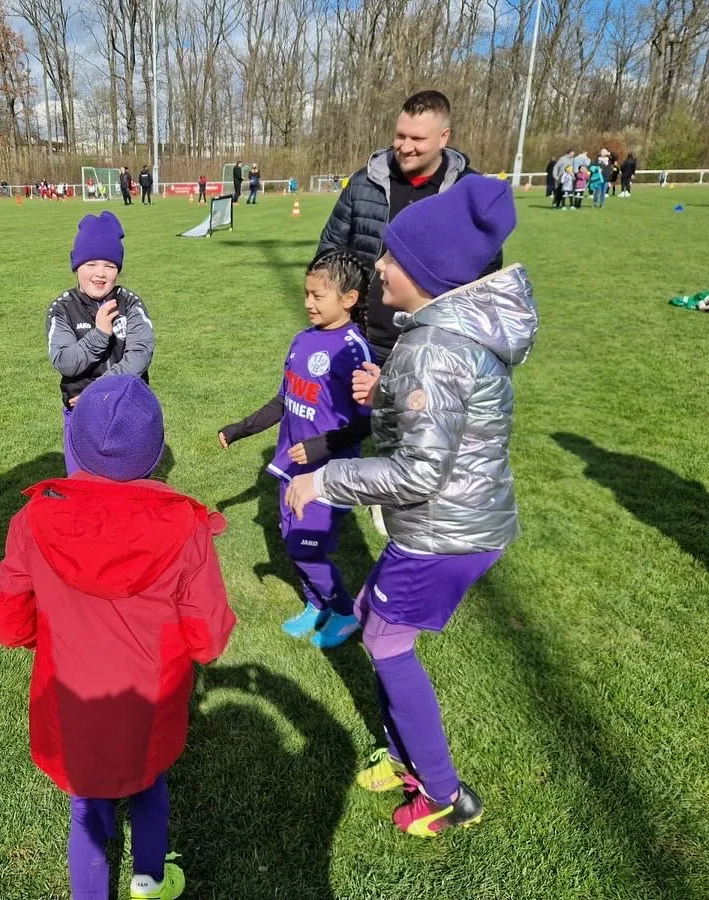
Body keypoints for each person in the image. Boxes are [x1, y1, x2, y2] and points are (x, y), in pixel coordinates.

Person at [286, 175, 538, 837]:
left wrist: (326, 480)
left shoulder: (433, 350)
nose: (379, 265)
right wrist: (387, 393)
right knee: (374, 615)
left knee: (385, 641)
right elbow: (444, 422)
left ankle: (447, 794)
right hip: (463, 521)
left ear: (425, 274)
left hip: (442, 531)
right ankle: (403, 759)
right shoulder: (443, 336)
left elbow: (419, 470)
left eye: (392, 259)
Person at [0, 374, 236, 900]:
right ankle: (150, 879)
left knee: (86, 805)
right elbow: (208, 634)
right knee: (148, 785)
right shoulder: (184, 528)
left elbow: (4, 616)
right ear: (155, 452)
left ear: (75, 445)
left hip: (70, 695)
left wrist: (41, 637)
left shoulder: (36, 518)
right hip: (151, 699)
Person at [218, 250, 373, 648]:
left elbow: (366, 422)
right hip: (291, 465)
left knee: (307, 547)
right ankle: (313, 603)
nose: (308, 303)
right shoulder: (302, 340)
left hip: (326, 473)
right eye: (306, 294)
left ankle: (343, 610)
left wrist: (321, 446)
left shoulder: (353, 350)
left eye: (318, 296)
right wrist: (240, 429)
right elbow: (284, 401)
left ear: (349, 299)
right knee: (293, 542)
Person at [315, 90, 500, 367]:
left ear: (444, 137)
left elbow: (486, 277)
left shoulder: (470, 193)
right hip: (361, 340)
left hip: (432, 350)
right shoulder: (364, 183)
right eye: (401, 136)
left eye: (418, 138)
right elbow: (329, 253)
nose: (406, 146)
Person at [46, 211, 154, 474]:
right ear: (76, 265)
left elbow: (140, 354)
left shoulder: (131, 304)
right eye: (91, 264)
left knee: (131, 493)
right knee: (83, 491)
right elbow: (65, 361)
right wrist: (100, 334)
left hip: (128, 414)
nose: (100, 274)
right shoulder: (61, 309)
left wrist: (98, 395)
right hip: (81, 417)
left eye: (110, 265)